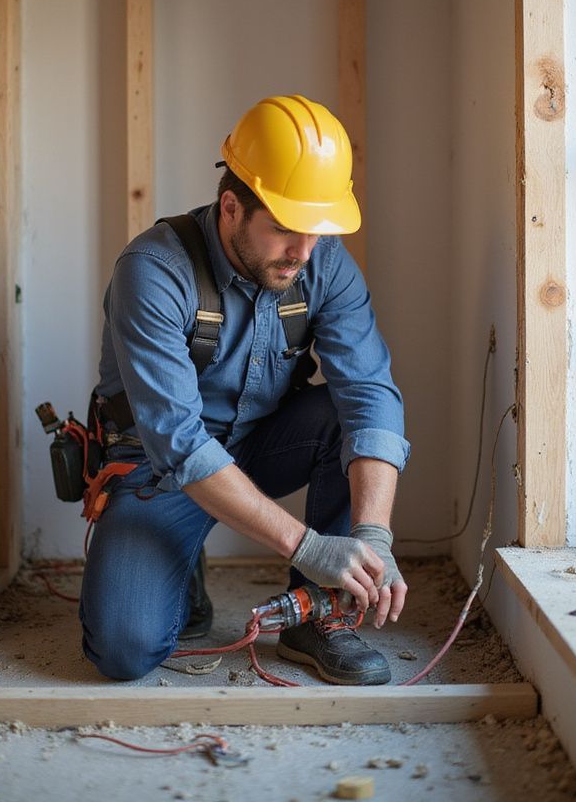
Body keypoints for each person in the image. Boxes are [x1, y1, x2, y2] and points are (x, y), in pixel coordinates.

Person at [79, 94, 409, 686]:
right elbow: (179, 442)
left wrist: (372, 539)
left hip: (263, 443)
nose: (303, 253)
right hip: (161, 471)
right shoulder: (153, 271)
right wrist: (307, 546)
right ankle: (182, 572)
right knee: (124, 652)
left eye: (314, 231)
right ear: (231, 207)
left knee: (343, 412)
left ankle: (319, 616)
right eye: (284, 229)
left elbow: (370, 392)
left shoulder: (319, 261)